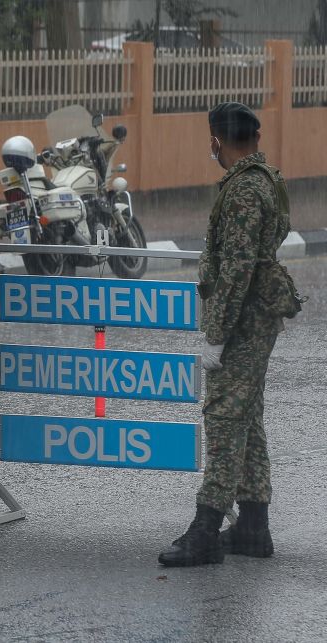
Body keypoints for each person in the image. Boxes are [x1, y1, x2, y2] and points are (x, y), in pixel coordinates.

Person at [159, 101, 295, 567]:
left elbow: (237, 270)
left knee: (223, 419)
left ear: (217, 139)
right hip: (256, 319)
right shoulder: (266, 180)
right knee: (247, 418)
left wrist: (215, 334)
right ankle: (254, 526)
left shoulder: (242, 191)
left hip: (241, 323)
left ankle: (205, 529)